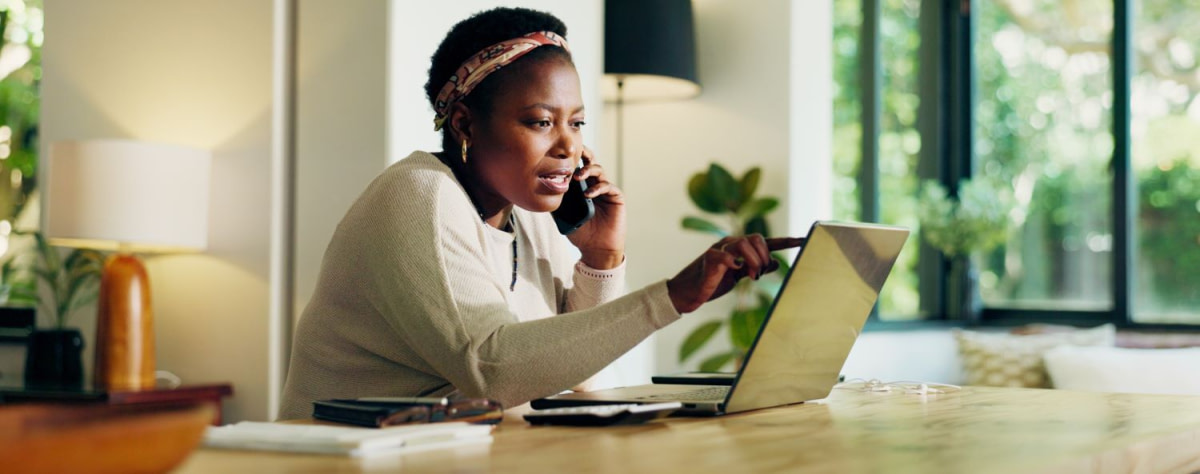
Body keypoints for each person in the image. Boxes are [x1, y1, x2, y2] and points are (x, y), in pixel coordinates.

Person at [278, 7, 804, 420]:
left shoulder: (527, 212)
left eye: (576, 123)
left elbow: (578, 381)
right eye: (539, 122)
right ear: (464, 123)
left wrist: (600, 259)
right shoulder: (417, 197)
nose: (568, 147)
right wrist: (672, 297)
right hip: (344, 458)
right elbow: (492, 368)